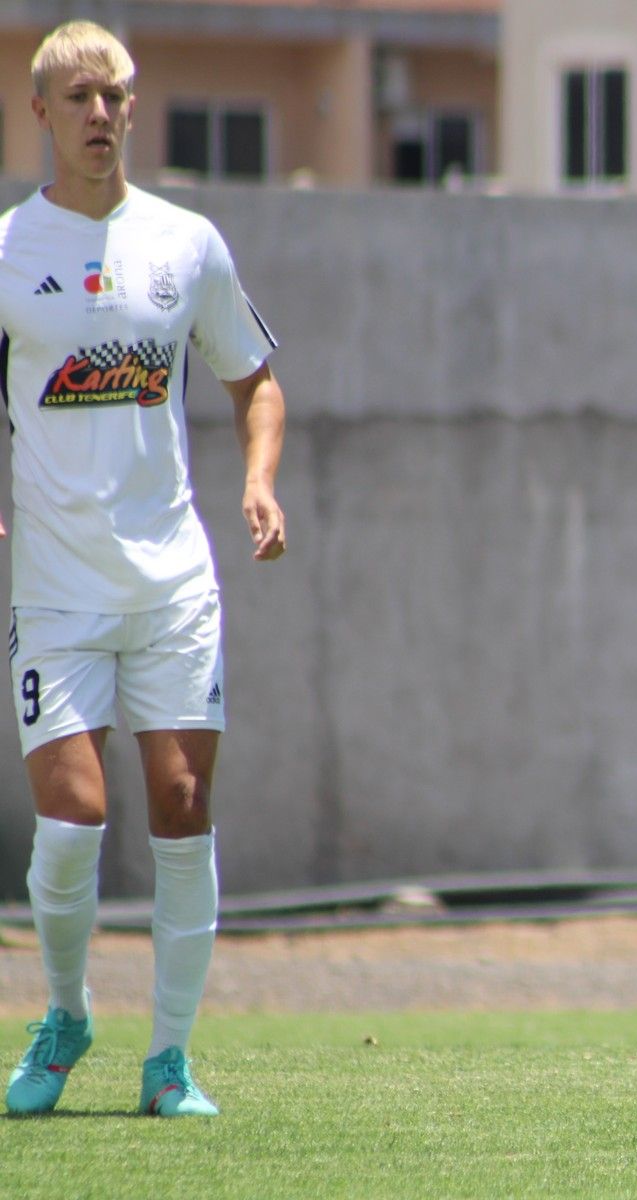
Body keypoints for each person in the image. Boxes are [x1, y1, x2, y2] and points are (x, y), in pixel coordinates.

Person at [0, 20, 286, 1118]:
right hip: (58, 593)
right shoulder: (11, 252)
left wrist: (258, 481)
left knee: (180, 802)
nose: (100, 115)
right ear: (41, 112)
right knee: (73, 819)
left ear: (133, 105)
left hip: (171, 585)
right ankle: (67, 1012)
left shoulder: (186, 243)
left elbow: (255, 380)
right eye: (78, 98)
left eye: (114, 96)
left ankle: (169, 1061)